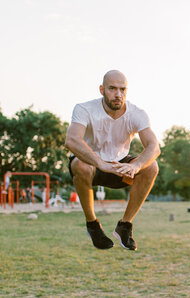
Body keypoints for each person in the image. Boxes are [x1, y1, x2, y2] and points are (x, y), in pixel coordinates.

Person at [65, 70, 160, 251]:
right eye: (112, 89)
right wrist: (101, 164)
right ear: (102, 90)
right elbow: (71, 140)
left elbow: (154, 147)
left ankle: (124, 226)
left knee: (151, 166)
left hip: (119, 165)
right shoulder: (84, 109)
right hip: (92, 164)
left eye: (122, 89)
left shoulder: (137, 113)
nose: (118, 94)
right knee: (80, 165)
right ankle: (92, 225)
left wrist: (137, 165)